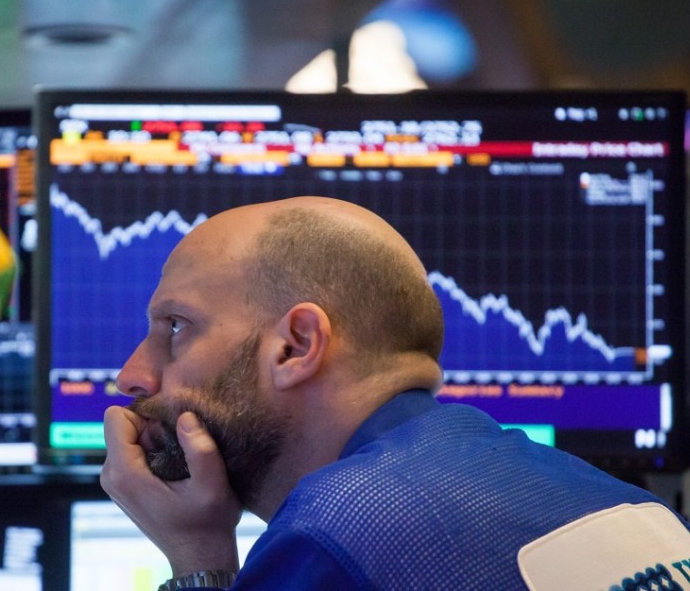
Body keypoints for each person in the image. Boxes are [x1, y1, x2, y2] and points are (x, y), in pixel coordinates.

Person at [100, 196, 690, 591]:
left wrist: (196, 558)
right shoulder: (622, 503)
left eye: (176, 327)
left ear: (296, 346)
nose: (132, 376)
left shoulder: (337, 536)